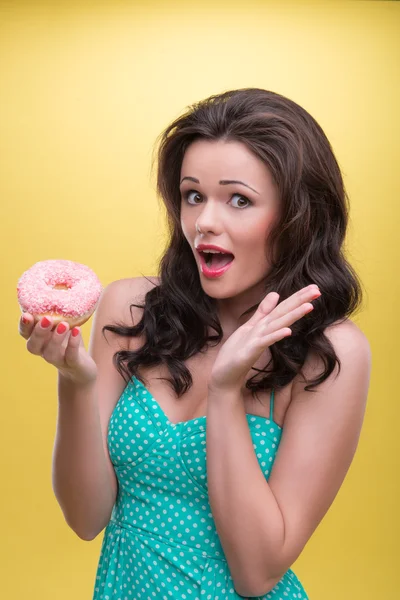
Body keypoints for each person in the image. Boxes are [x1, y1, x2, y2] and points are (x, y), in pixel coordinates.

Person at [19, 88, 371, 600]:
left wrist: (227, 391)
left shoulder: (330, 354)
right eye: (193, 195)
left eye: (239, 200)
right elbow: (85, 518)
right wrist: (75, 382)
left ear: (298, 216)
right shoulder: (129, 310)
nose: (204, 222)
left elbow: (257, 573)